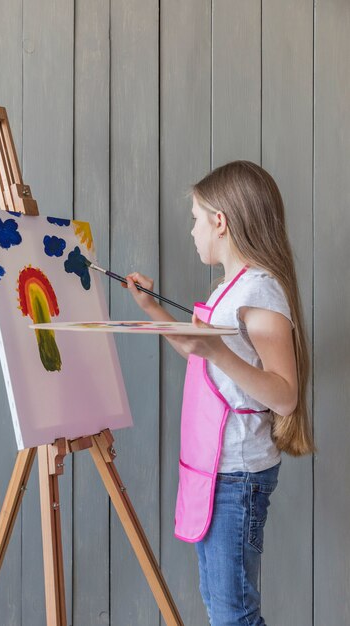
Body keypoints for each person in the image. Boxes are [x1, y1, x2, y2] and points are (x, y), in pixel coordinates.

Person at [125, 161, 315, 625]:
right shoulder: (232, 288)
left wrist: (217, 351)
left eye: (195, 218)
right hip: (218, 471)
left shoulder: (260, 290)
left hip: (238, 476)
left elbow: (285, 396)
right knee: (222, 610)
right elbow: (201, 356)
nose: (191, 230)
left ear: (220, 222)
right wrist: (151, 309)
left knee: (235, 616)